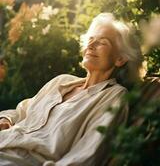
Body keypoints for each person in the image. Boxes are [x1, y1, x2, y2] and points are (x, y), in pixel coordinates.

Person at [0, 13, 142, 166]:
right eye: (90, 39)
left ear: (120, 58)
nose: (91, 45)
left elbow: (87, 153)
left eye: (102, 42)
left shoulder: (114, 96)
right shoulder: (62, 81)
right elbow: (21, 111)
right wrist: (6, 119)